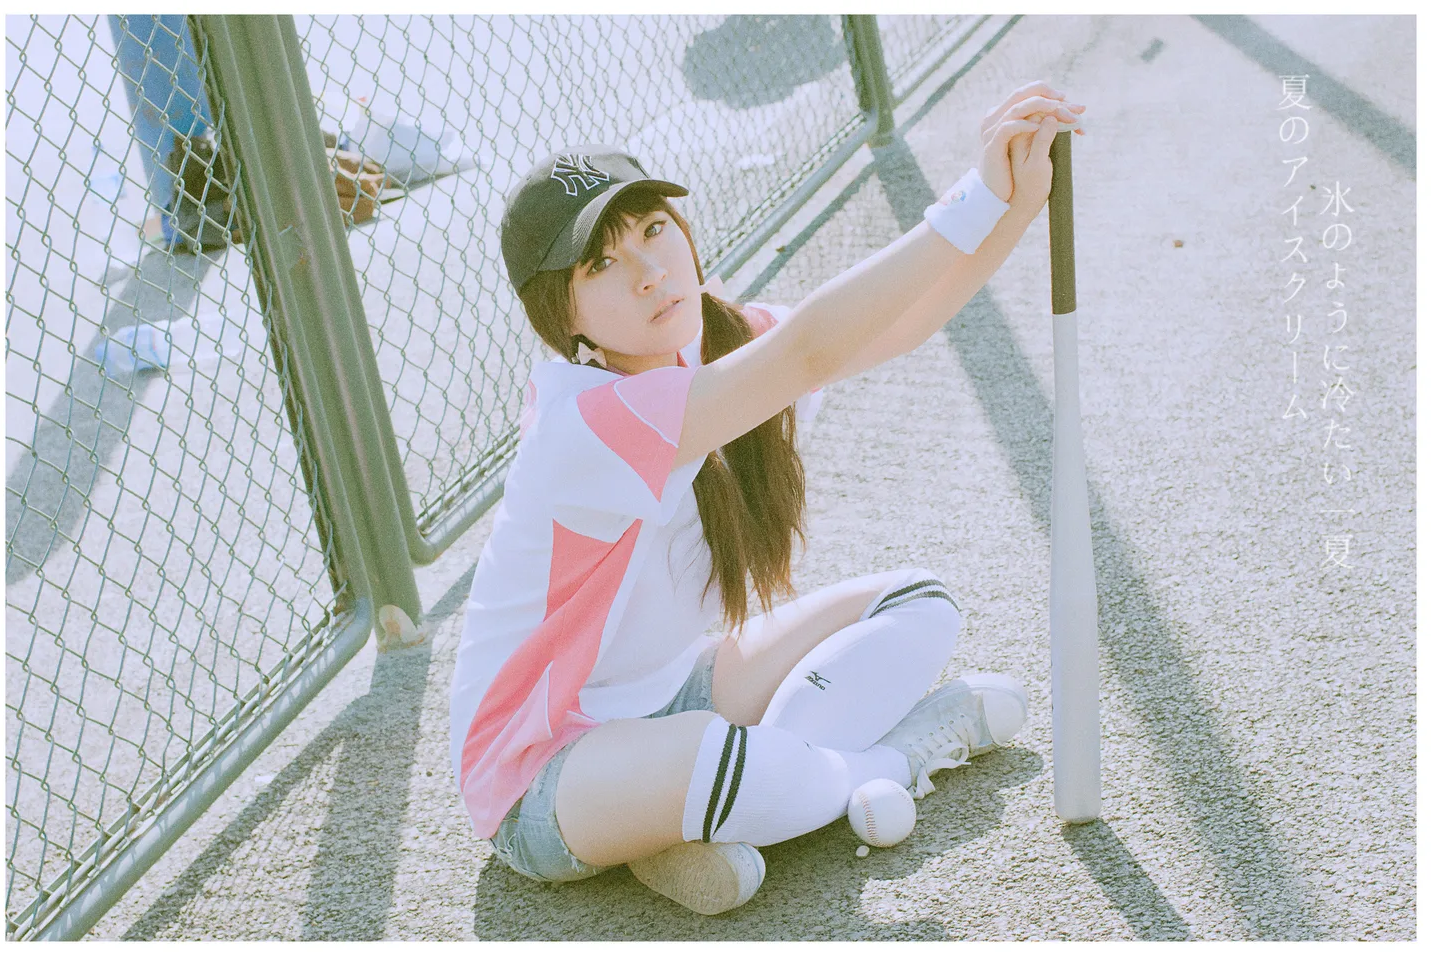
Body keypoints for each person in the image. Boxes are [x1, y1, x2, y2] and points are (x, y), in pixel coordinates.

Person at [451, 80, 1087, 915]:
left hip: (671, 694)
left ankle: (700, 821)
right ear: (560, 313)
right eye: (601, 264)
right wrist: (973, 196)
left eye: (652, 229)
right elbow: (808, 352)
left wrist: (1016, 205)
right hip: (541, 775)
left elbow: (896, 325)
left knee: (917, 604)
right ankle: (887, 764)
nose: (649, 272)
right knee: (713, 755)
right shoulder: (585, 422)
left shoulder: (717, 344)